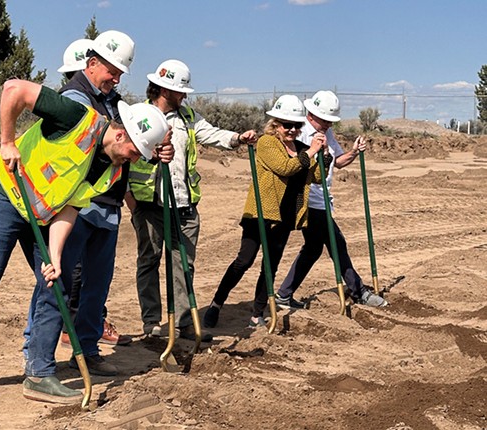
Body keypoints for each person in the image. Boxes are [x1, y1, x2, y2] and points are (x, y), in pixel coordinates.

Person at [0, 78, 171, 408]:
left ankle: (40, 374)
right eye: (134, 151)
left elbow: (69, 208)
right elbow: (14, 89)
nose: (134, 159)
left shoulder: (112, 172)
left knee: (58, 283)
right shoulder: (75, 117)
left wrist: (55, 256)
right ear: (120, 134)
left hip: (42, 215)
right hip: (2, 197)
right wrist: (7, 141)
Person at [22, 31, 135, 378]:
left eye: (120, 73)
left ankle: (86, 349)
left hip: (107, 203)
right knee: (60, 281)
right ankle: (36, 349)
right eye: (111, 70)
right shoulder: (76, 98)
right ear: (92, 63)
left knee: (96, 285)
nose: (115, 78)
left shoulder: (114, 101)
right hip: (79, 204)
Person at [126, 59, 257, 341]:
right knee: (149, 261)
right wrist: (132, 203)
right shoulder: (140, 116)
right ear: (164, 89)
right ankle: (152, 323)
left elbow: (212, 134)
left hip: (184, 206)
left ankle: (184, 322)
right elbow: (126, 159)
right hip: (150, 205)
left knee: (184, 264)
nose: (185, 95)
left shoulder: (188, 117)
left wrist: (238, 138)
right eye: (180, 90)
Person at [203, 95, 327, 329]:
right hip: (261, 212)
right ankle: (216, 303)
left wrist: (324, 155)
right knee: (244, 260)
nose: (291, 130)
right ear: (275, 124)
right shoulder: (267, 143)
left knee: (270, 264)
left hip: (286, 216)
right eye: (286, 124)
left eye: (296, 125)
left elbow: (318, 176)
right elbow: (284, 167)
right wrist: (311, 152)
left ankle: (256, 313)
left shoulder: (301, 148)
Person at [275, 90, 388, 308]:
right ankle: (359, 292)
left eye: (330, 120)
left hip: (323, 200)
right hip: (309, 200)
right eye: (325, 119)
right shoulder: (299, 132)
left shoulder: (327, 132)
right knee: (337, 243)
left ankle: (283, 295)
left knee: (313, 249)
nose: (328, 124)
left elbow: (338, 161)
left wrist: (354, 152)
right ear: (311, 114)